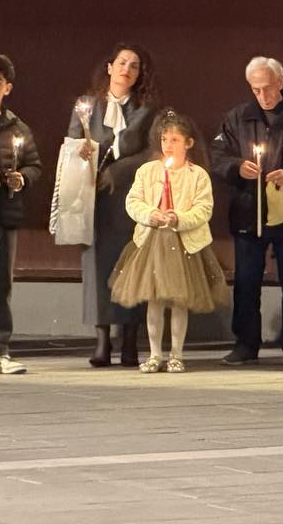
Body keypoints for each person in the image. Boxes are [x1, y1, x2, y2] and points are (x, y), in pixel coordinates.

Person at [211, 56, 283, 367]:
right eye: (256, 89)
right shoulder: (237, 118)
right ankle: (245, 343)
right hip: (249, 211)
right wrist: (236, 167)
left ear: (281, 82)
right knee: (246, 281)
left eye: (268, 88)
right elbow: (218, 157)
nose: (263, 95)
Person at [107, 112, 227, 373]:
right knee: (155, 299)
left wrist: (179, 218)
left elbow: (203, 209)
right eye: (164, 139)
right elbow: (133, 201)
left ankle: (176, 354)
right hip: (153, 243)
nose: (168, 145)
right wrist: (150, 214)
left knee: (180, 301)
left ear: (188, 143)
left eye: (175, 139)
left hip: (184, 245)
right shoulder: (148, 171)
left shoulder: (197, 176)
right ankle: (154, 354)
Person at [67, 43, 159, 368]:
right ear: (109, 67)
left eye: (134, 66)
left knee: (132, 265)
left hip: (132, 197)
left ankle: (130, 339)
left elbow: (152, 151)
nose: (126, 69)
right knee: (97, 268)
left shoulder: (147, 110)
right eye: (122, 63)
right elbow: (72, 144)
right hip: (95, 199)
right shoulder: (87, 106)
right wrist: (83, 158)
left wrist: (116, 172)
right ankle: (102, 341)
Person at [0, 54, 40, 375]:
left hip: (6, 217)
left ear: (8, 88)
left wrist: (22, 178)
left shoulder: (18, 127)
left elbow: (34, 164)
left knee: (1, 287)